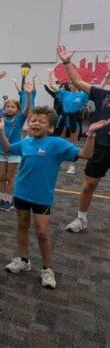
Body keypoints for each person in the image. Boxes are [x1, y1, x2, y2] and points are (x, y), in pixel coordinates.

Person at [0, 106, 106, 289]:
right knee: (22, 226)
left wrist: (91, 134)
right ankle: (23, 260)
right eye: (33, 120)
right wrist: (0, 129)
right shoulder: (26, 142)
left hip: (42, 197)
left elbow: (86, 154)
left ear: (50, 128)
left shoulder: (56, 144)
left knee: (42, 233)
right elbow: (7, 148)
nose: (35, 123)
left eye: (41, 121)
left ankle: (47, 269)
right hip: (21, 193)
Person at [57, 46, 110, 233]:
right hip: (102, 146)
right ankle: (81, 219)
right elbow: (78, 81)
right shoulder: (103, 94)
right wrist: (66, 61)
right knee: (88, 185)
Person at [0, 84, 33, 211]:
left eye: (12, 107)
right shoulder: (1, 116)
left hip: (14, 152)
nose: (9, 108)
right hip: (1, 150)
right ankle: (2, 199)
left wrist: (29, 94)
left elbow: (27, 109)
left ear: (17, 109)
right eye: (7, 106)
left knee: (10, 178)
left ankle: (9, 201)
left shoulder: (20, 118)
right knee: (2, 177)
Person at [47, 69, 89, 175]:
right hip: (63, 119)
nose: (71, 85)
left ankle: (72, 165)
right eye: (70, 83)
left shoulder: (82, 95)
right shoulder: (64, 93)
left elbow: (96, 90)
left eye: (73, 83)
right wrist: (50, 73)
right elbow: (52, 85)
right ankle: (58, 162)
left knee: (72, 144)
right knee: (59, 140)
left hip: (74, 120)